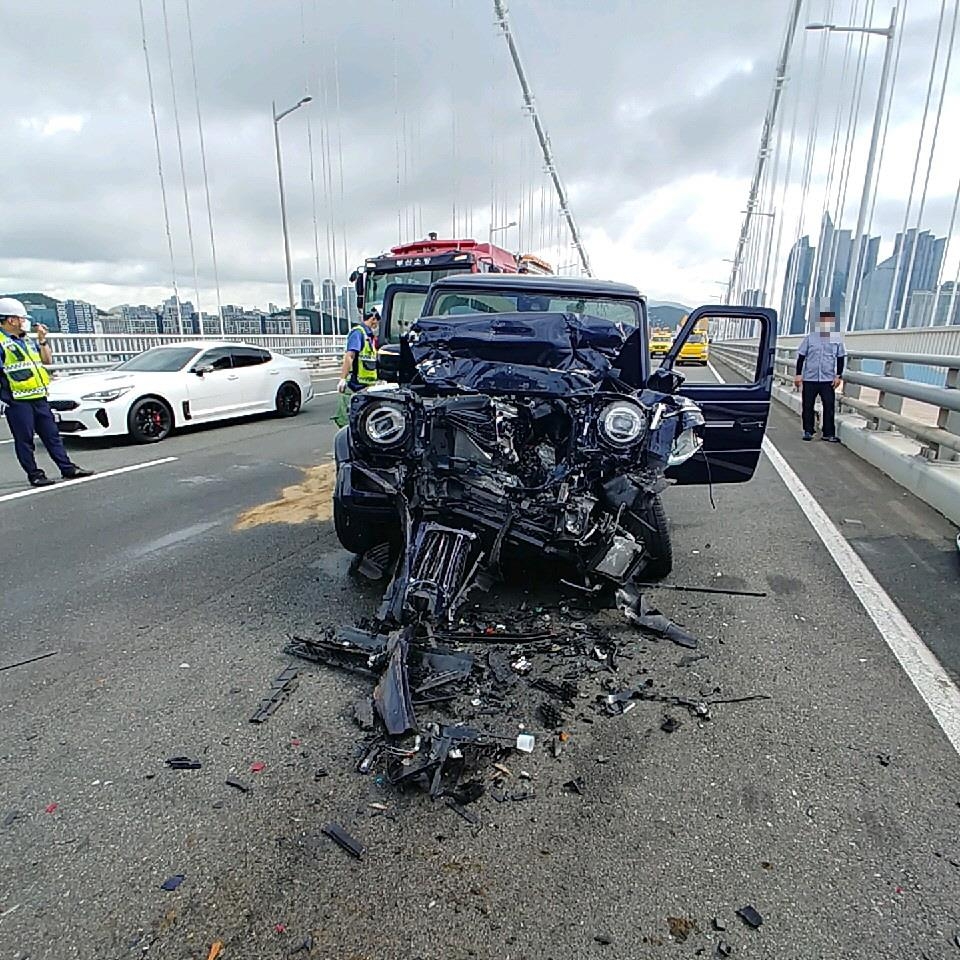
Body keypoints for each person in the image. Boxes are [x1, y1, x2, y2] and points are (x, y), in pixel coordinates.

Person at [0, 297, 94, 487]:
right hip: (17, 400)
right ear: (11, 320)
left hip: (39, 397)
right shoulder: (1, 342)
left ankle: (67, 468)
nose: (25, 321)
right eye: (21, 318)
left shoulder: (25, 340)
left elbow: (47, 361)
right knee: (25, 441)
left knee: (52, 436)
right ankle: (35, 475)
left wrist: (43, 341)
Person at [794, 309, 846, 443]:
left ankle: (828, 433)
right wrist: (798, 375)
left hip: (828, 379)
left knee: (828, 406)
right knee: (807, 405)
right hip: (810, 378)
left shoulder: (837, 339)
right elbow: (801, 357)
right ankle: (808, 430)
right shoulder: (810, 338)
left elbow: (840, 358)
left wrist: (838, 376)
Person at [333, 307, 380, 428]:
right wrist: (342, 378)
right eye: (377, 322)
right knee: (348, 420)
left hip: (368, 386)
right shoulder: (358, 333)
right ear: (373, 319)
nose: (377, 325)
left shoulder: (370, 337)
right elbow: (350, 356)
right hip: (356, 385)